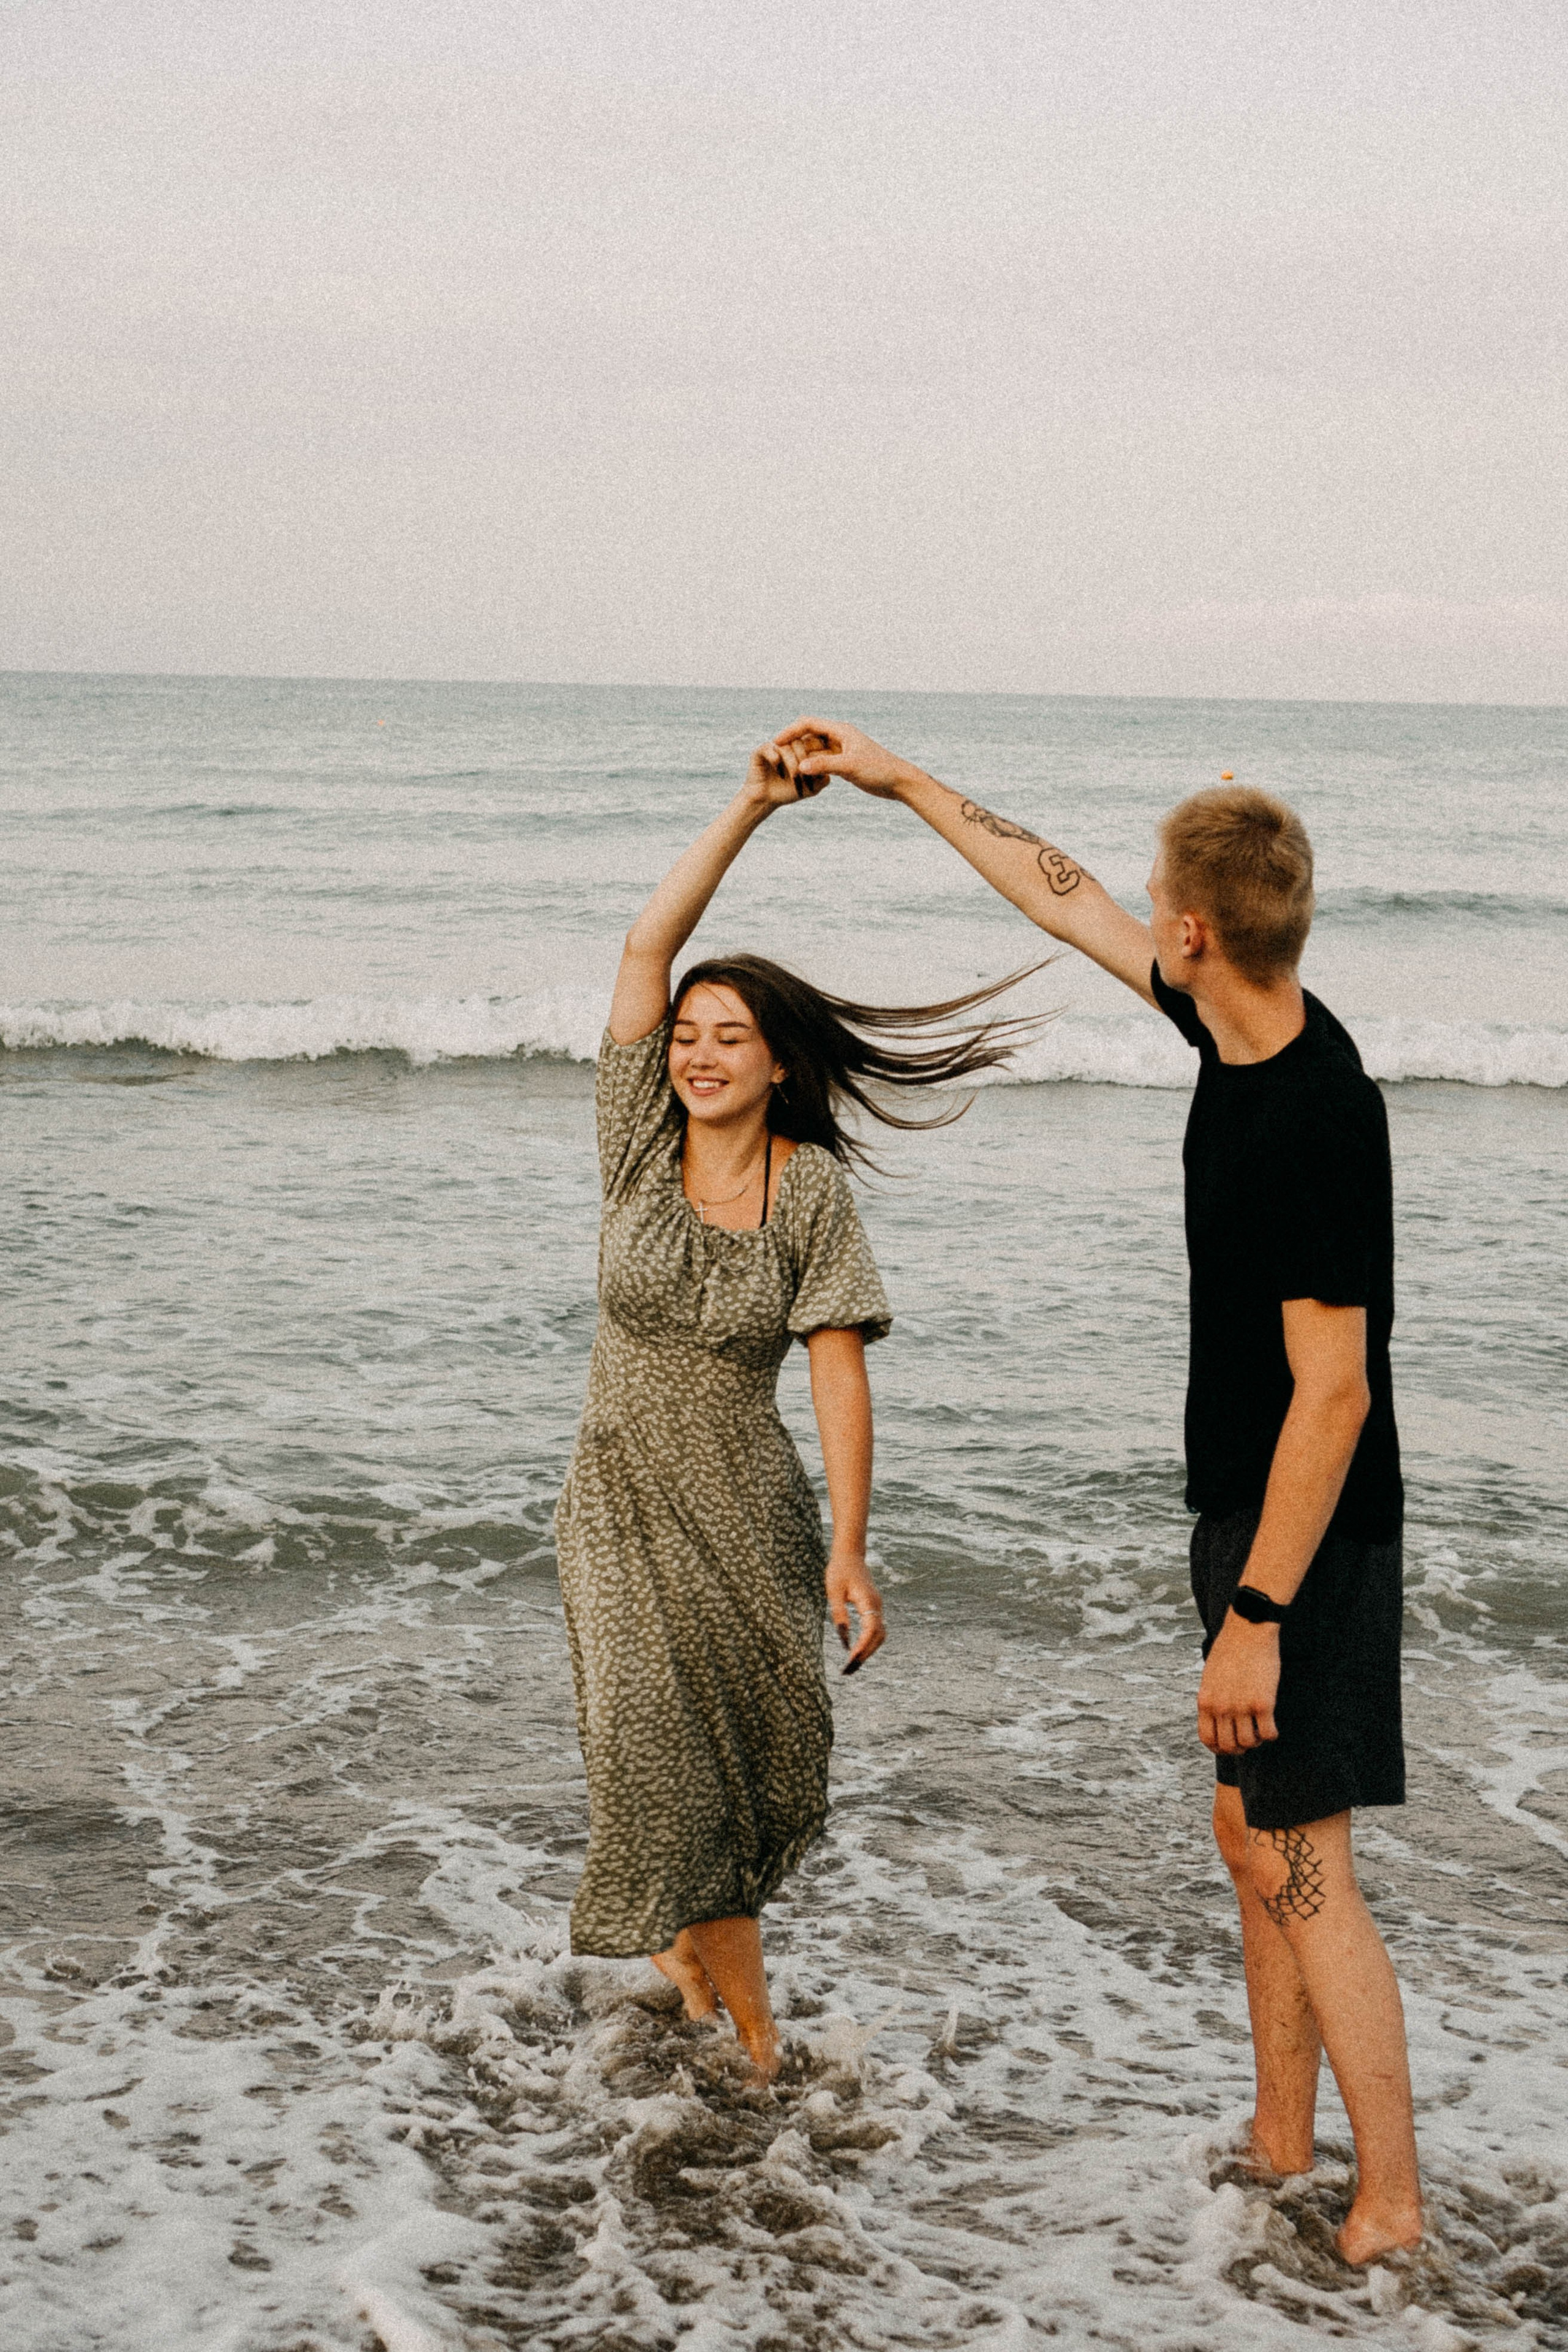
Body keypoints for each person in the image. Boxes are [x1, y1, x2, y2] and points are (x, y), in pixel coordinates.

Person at [777, 716, 1421, 2261]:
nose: (1136, 912)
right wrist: (903, 782)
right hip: (1249, 1516)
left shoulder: (1314, 1115)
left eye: (1158, 901)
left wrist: (1257, 1610)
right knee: (1248, 1831)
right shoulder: (1238, 1029)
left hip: (1301, 1539)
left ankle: (1389, 2203)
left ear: (1196, 933)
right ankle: (1282, 2136)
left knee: (1301, 1862)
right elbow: (1055, 898)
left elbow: (1335, 1394)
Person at [554, 736, 1039, 2078]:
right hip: (613, 1501)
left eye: (731, 1038)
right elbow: (646, 944)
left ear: (777, 1063)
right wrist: (749, 810)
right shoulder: (635, 1148)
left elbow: (836, 1367)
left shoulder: (808, 1188)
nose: (699, 1053)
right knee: (657, 1754)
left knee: (747, 1764)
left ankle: (691, 1978)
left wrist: (843, 1544)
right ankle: (760, 2052)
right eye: (689, 1037)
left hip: (743, 1510)